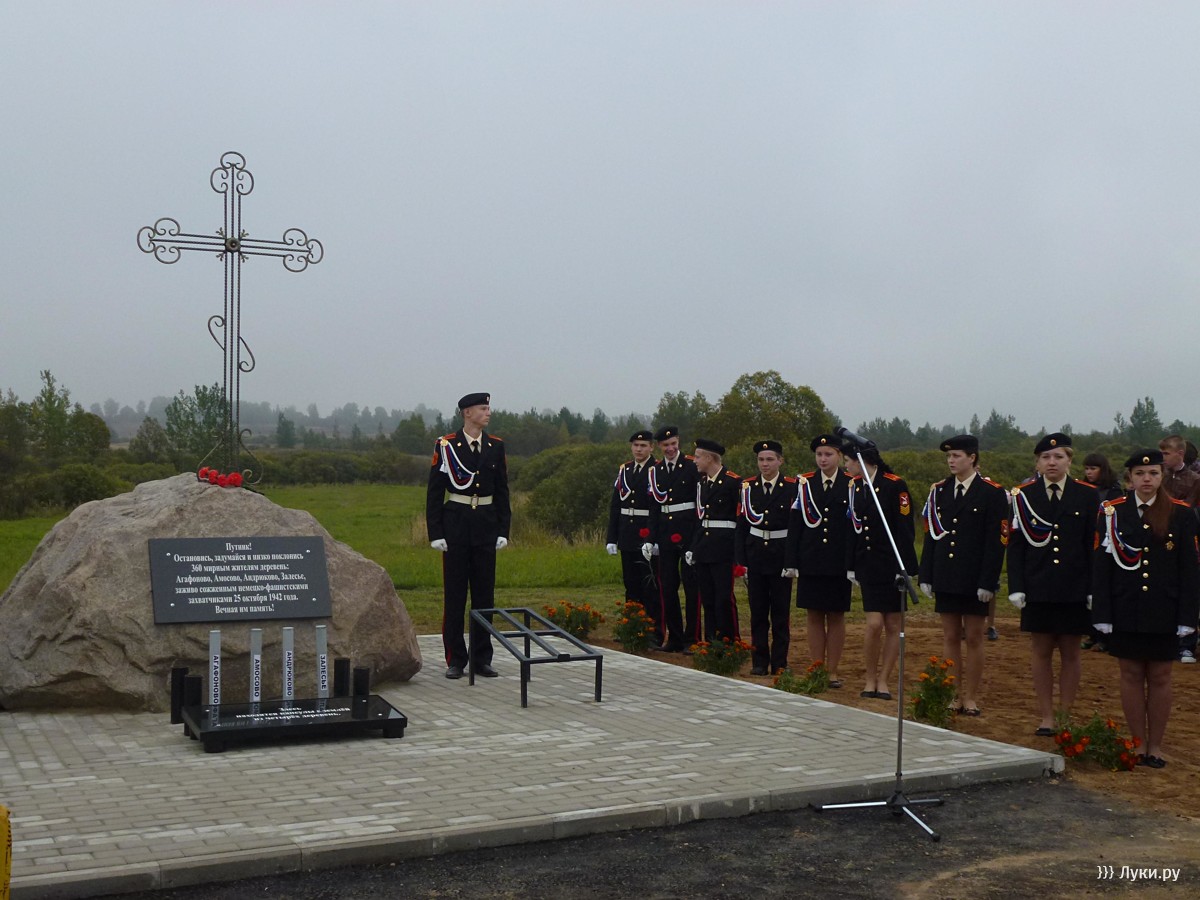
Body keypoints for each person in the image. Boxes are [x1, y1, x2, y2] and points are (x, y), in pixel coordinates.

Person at [1092, 449, 1199, 769]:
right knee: (1131, 674)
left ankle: (1156, 746)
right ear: (1130, 478)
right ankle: (1138, 743)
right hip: (1126, 606)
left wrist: (1188, 617)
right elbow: (1102, 566)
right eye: (1140, 474)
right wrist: (1102, 613)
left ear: (1162, 476)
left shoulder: (1181, 514)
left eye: (1153, 473)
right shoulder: (1112, 512)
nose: (1147, 479)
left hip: (1165, 608)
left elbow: (1190, 569)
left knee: (1161, 675)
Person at [1007, 433, 1100, 735]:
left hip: (1074, 586)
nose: (1052, 462)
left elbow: (1092, 545)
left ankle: (1065, 715)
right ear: (1037, 462)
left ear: (1069, 461)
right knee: (1041, 651)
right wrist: (1017, 585)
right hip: (1038, 585)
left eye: (1059, 457)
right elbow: (1016, 546)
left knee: (1071, 653)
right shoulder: (1023, 495)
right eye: (1045, 457)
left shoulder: (1087, 495)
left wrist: (1092, 588)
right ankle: (1046, 716)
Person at [918, 434, 1008, 717]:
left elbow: (996, 541)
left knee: (975, 638)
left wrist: (988, 581)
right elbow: (932, 535)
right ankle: (953, 694)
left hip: (974, 577)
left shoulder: (992, 492)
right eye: (949, 456)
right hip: (946, 573)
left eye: (956, 456)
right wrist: (926, 574)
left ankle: (971, 697)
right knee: (950, 636)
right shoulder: (939, 491)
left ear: (972, 457)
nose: (951, 461)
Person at [426, 392, 511, 680]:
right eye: (483, 408)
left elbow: (502, 491)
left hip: (486, 525)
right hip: (456, 526)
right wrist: (435, 532)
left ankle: (481, 658)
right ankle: (456, 659)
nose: (488, 413)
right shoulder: (447, 445)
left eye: (488, 408)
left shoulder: (495, 446)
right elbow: (435, 491)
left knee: (484, 596)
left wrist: (503, 529)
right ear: (467, 413)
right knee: (455, 595)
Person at [844, 443, 918, 702]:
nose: (846, 466)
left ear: (861, 461)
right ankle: (870, 677)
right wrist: (851, 564)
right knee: (874, 624)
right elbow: (853, 527)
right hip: (868, 563)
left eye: (848, 461)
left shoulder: (894, 485)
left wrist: (904, 567)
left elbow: (905, 529)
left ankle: (884, 679)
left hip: (892, 564)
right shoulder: (855, 486)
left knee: (893, 624)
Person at [785, 434, 852, 688]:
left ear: (839, 456)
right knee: (813, 615)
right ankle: (817, 668)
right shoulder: (804, 484)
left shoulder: (851, 484)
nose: (823, 459)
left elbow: (854, 527)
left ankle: (832, 671)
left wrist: (852, 562)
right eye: (819, 454)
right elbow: (795, 525)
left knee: (836, 615)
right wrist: (791, 560)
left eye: (828, 454)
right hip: (810, 559)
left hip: (838, 561)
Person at [736, 440, 798, 675]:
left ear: (780, 461)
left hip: (780, 554)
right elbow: (742, 525)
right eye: (761, 460)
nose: (765, 464)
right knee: (758, 612)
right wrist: (741, 560)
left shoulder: (792, 487)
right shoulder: (748, 487)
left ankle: (780, 662)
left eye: (770, 459)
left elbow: (795, 527)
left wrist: (792, 561)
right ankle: (759, 661)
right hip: (756, 554)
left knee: (781, 613)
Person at [646, 425, 699, 651]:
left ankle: (692, 639)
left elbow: (699, 504)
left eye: (674, 444)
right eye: (666, 445)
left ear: (679, 442)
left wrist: (697, 539)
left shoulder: (691, 466)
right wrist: (651, 539)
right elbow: (654, 508)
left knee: (691, 587)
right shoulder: (656, 471)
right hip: (665, 533)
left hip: (688, 531)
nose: (670, 448)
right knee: (667, 587)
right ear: (659, 446)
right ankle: (675, 637)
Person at [687, 438, 742, 642]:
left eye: (698, 457)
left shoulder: (733, 482)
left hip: (723, 547)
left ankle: (729, 641)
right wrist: (694, 547)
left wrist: (738, 554)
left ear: (709, 458)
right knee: (708, 599)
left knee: (723, 598)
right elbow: (700, 519)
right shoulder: (703, 483)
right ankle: (711, 642)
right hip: (704, 546)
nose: (695, 461)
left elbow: (739, 519)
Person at [606, 430, 660, 636]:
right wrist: (612, 538)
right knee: (630, 583)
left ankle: (651, 631)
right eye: (636, 446)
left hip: (646, 533)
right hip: (627, 533)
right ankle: (631, 628)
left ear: (651, 447)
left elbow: (656, 508)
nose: (639, 449)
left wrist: (653, 538)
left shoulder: (656, 469)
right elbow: (615, 506)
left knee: (649, 585)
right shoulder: (625, 470)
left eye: (643, 446)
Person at [1158, 435, 1200, 663]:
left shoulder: (1195, 480)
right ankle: (1164, 638)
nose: (1163, 457)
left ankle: (1186, 644)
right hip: (1157, 538)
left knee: (1186, 590)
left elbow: (1188, 510)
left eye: (1166, 453)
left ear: (1180, 454)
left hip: (1183, 539)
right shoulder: (1158, 476)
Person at [1080, 451, 1123, 653]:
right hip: (1087, 544)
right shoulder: (1082, 489)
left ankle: (1105, 636)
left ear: (1102, 469)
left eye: (1093, 468)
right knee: (1088, 589)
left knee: (1103, 589)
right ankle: (1091, 632)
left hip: (1106, 544)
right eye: (1087, 468)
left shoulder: (1113, 491)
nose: (1089, 472)